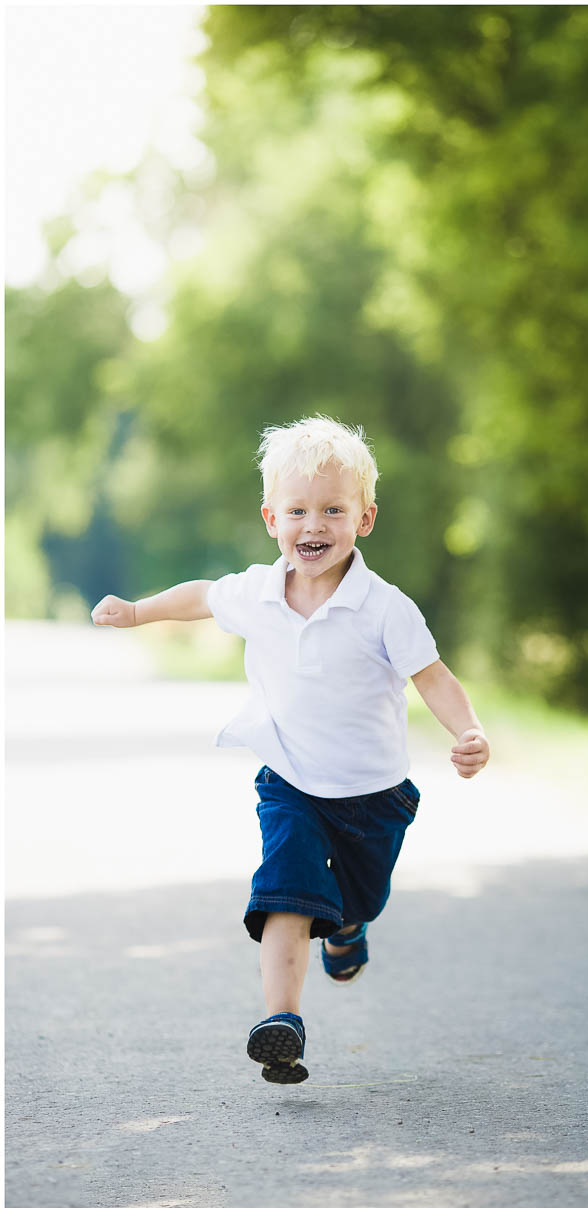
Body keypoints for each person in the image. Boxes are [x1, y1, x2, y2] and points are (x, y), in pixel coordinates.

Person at [92, 414, 490, 1085]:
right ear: (271, 517)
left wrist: (468, 731)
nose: (313, 526)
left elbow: (434, 678)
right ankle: (283, 1022)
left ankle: (347, 929)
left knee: (358, 900)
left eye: (333, 510)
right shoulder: (257, 592)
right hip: (290, 781)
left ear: (364, 519)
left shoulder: (386, 608)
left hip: (374, 794)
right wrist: (138, 611)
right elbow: (200, 598)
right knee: (286, 894)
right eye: (298, 511)